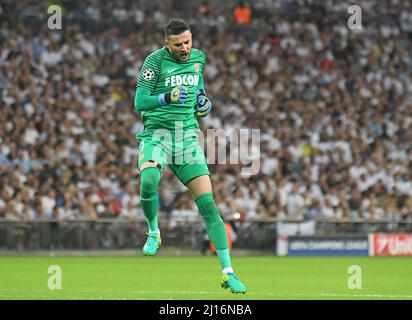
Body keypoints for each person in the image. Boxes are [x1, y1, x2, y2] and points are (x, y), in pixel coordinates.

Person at [133, 19, 246, 294]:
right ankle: (153, 232)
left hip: (186, 138)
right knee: (148, 182)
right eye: (178, 44)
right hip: (157, 134)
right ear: (166, 43)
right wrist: (166, 98)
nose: (185, 48)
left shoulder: (198, 60)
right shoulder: (154, 62)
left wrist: (204, 103)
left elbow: (200, 95)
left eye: (188, 41)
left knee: (209, 206)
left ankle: (228, 272)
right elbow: (139, 102)